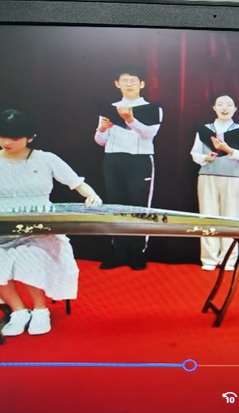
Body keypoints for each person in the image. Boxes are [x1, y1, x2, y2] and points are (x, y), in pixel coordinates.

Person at [0, 109, 103, 337]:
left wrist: (91, 196)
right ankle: (19, 311)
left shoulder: (46, 159)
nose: (7, 142)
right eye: (2, 136)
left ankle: (41, 310)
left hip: (40, 229)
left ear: (30, 137)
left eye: (14, 137)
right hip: (0, 228)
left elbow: (77, 183)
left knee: (29, 255)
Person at [94, 67, 163, 270]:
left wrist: (130, 120)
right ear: (117, 84)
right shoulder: (110, 108)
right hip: (113, 160)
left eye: (133, 80)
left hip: (139, 161)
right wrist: (102, 129)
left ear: (142, 84)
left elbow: (149, 134)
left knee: (139, 207)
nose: (129, 84)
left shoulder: (152, 108)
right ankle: (119, 251)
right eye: (125, 80)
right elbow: (100, 141)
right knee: (116, 206)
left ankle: (137, 252)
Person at [189, 94, 239, 270]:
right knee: (207, 216)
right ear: (214, 108)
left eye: (229, 104)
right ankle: (209, 259)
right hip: (207, 175)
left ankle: (228, 260)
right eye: (220, 104)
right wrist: (205, 157)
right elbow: (194, 153)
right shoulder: (204, 129)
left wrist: (227, 149)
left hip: (233, 178)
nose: (224, 108)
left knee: (231, 217)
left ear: (235, 108)